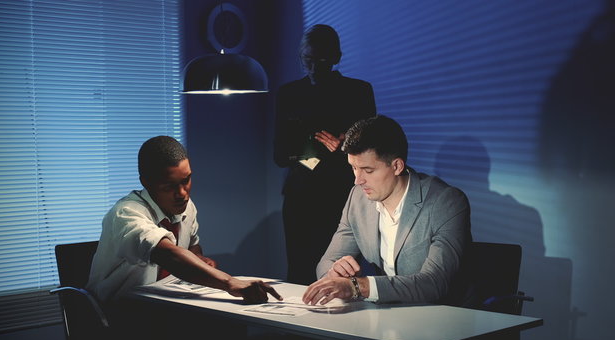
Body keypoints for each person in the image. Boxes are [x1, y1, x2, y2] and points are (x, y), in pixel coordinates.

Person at [87, 135, 281, 304]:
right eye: (169, 186)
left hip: (163, 308)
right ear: (146, 182)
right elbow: (169, 255)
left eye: (186, 180)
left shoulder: (186, 206)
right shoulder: (126, 214)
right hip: (118, 315)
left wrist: (199, 259)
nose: (182, 194)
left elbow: (191, 248)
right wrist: (229, 282)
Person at [302, 115, 471, 305]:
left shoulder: (445, 202)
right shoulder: (358, 198)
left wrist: (358, 287)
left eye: (368, 170)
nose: (358, 180)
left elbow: (434, 283)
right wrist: (335, 274)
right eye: (353, 168)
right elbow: (325, 264)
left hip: (445, 319)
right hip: (387, 318)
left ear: (397, 166)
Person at [274, 24, 376, 285]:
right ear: (300, 57)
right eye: (308, 60)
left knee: (342, 273)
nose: (314, 68)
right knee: (299, 272)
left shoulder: (358, 92)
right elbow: (279, 155)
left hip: (341, 197)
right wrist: (314, 150)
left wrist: (345, 142)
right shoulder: (289, 94)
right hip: (301, 197)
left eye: (321, 60)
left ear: (336, 58)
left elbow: (373, 149)